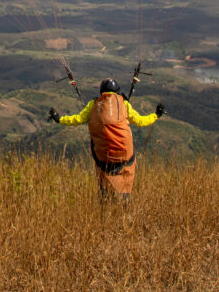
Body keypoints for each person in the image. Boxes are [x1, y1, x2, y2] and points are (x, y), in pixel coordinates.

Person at [49, 78, 164, 209]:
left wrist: (59, 119)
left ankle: (105, 204)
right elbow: (140, 121)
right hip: (125, 156)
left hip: (103, 157)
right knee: (125, 177)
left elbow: (78, 119)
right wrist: (156, 115)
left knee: (104, 186)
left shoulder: (93, 104)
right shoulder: (124, 104)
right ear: (117, 91)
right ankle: (125, 203)